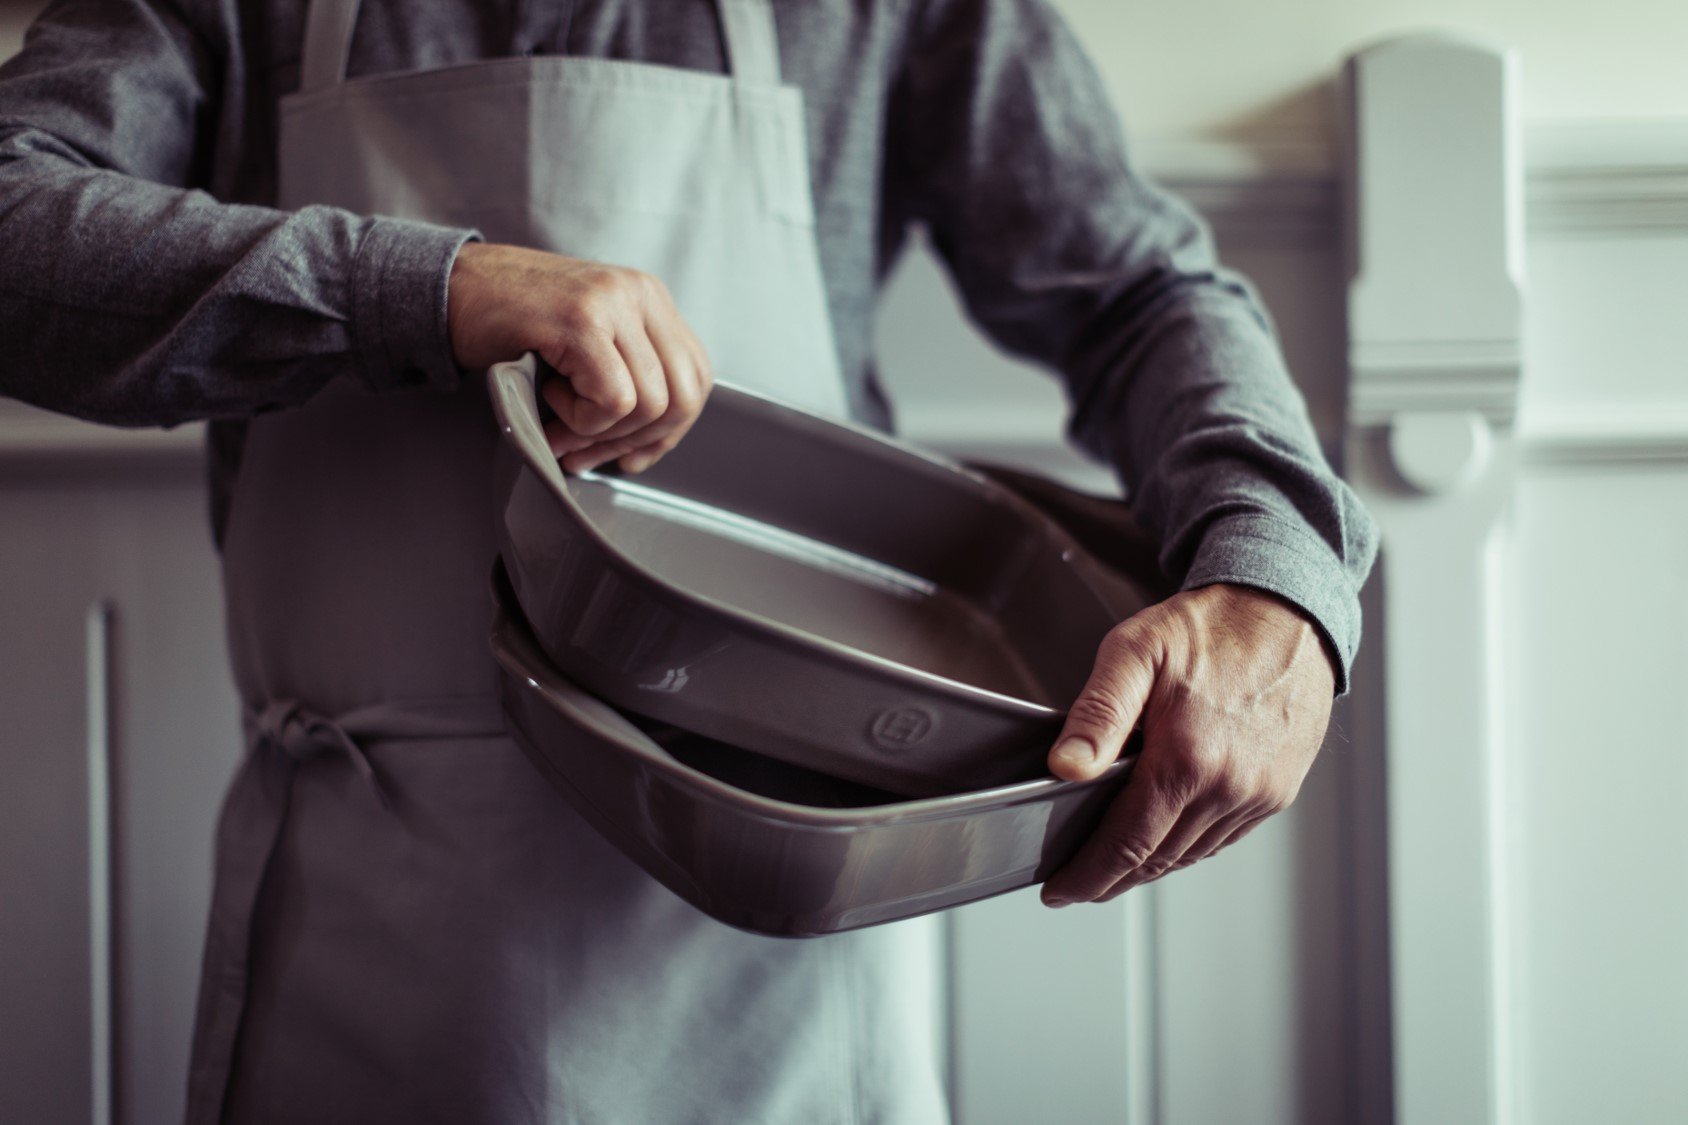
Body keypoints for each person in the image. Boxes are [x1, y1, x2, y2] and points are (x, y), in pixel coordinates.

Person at [0, 0, 1379, 1120]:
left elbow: (1141, 296)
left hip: (780, 977)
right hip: (367, 942)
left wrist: (1276, 572)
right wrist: (435, 287)